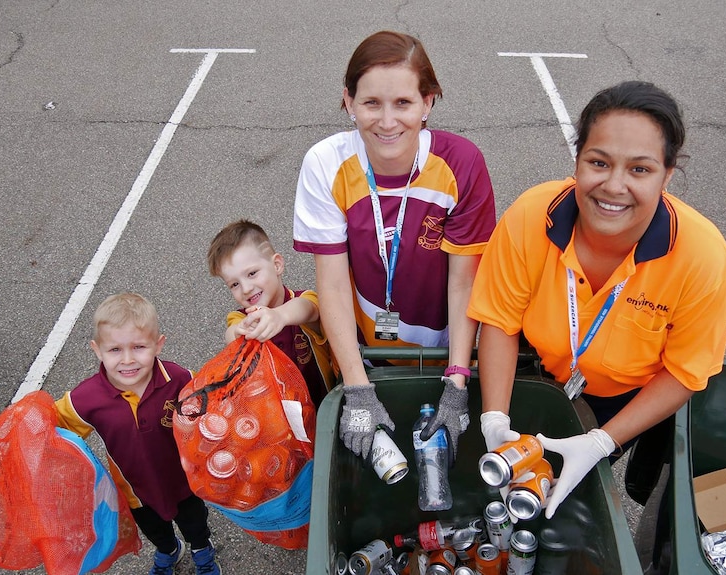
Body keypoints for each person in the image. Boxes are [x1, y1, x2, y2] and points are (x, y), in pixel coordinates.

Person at [468, 81, 726, 519]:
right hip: (530, 372)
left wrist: (602, 441)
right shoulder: (531, 216)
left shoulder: (703, 257)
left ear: (668, 175)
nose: (613, 186)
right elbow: (499, 319)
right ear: (577, 160)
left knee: (564, 493)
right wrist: (494, 418)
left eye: (640, 170)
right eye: (599, 162)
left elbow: (686, 372)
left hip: (621, 400)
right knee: (504, 486)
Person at [293, 30, 497, 461]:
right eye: (371, 103)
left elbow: (464, 284)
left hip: (444, 346)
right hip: (366, 347)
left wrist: (457, 379)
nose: (387, 122)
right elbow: (330, 285)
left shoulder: (462, 163)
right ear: (348, 102)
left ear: (428, 102)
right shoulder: (325, 163)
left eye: (403, 103)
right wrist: (357, 389)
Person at [54, 292, 221, 575]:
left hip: (183, 481)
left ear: (158, 345)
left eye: (139, 347)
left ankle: (201, 549)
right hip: (134, 489)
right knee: (155, 529)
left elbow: (211, 405)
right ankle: (170, 549)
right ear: (97, 350)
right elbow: (52, 425)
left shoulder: (179, 379)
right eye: (115, 350)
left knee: (194, 522)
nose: (128, 360)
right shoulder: (86, 398)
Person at [207, 219, 335, 407]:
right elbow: (231, 333)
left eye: (252, 274)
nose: (246, 288)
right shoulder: (243, 318)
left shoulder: (301, 300)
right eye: (234, 284)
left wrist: (280, 316)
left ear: (276, 265)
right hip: (276, 417)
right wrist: (238, 332)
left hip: (324, 407)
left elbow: (309, 308)